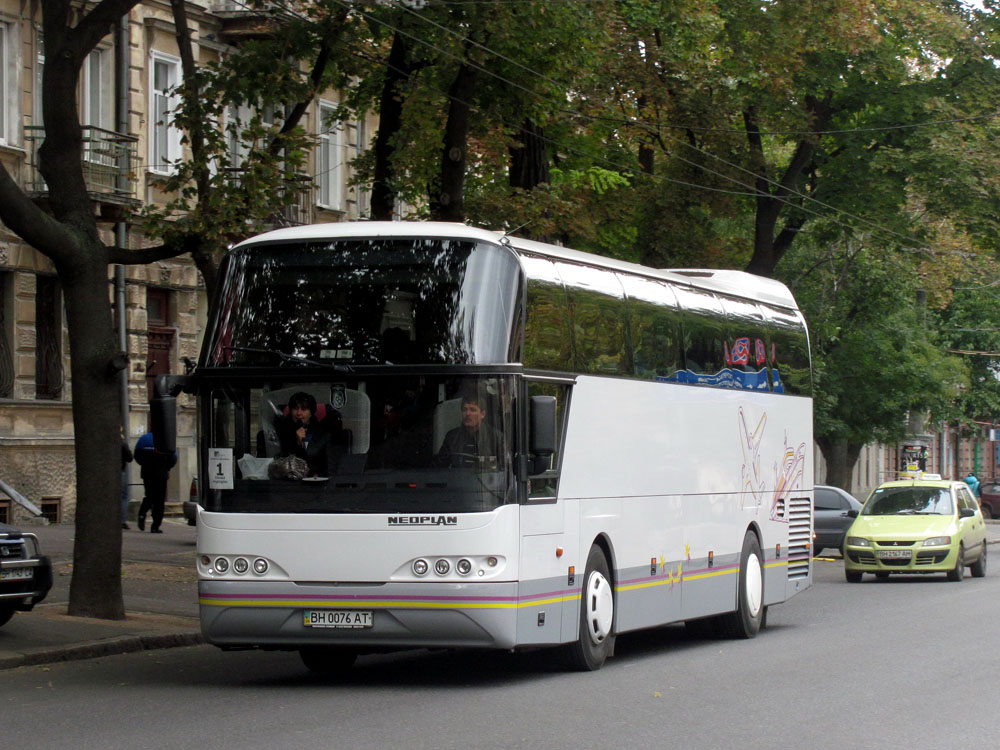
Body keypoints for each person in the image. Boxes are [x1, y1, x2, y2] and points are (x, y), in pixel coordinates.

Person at [437, 391, 501, 468]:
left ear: (482, 414)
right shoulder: (452, 437)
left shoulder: (496, 438)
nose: (467, 413)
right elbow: (439, 467)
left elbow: (503, 469)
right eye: (464, 409)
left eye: (472, 410)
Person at [276, 392, 331, 477]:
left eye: (304, 409)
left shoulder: (320, 432)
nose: (299, 413)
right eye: (295, 408)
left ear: (311, 412)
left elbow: (321, 460)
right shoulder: (283, 430)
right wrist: (298, 443)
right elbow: (283, 460)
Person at [134, 431, 177, 533]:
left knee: (149, 495)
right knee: (159, 500)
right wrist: (167, 467)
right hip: (161, 474)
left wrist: (144, 464)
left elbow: (137, 455)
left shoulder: (144, 439)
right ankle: (155, 526)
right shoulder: (167, 440)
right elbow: (173, 457)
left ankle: (142, 513)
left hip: (147, 473)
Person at [121, 430, 133, 530]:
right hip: (121, 472)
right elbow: (129, 458)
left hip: (108, 473)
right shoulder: (122, 443)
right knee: (124, 497)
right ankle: (122, 521)